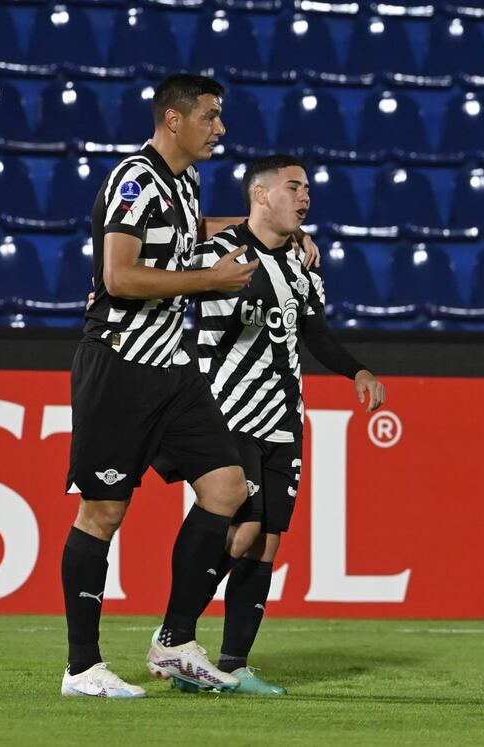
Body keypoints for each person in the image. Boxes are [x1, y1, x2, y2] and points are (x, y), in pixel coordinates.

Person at [60, 73, 262, 698]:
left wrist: (261, 233)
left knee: (229, 488)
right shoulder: (134, 179)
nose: (220, 128)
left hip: (172, 367)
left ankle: (174, 642)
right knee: (103, 511)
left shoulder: (183, 181)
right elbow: (118, 277)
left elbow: (185, 234)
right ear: (174, 120)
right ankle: (82, 667)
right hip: (120, 365)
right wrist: (209, 283)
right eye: (210, 116)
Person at [169, 154, 385, 696]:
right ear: (261, 194)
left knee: (266, 542)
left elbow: (315, 334)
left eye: (308, 188)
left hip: (285, 417)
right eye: (294, 187)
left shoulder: (303, 264)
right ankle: (174, 639)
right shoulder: (215, 255)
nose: (306, 196)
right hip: (228, 411)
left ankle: (233, 664)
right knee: (238, 533)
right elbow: (161, 273)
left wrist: (355, 369)